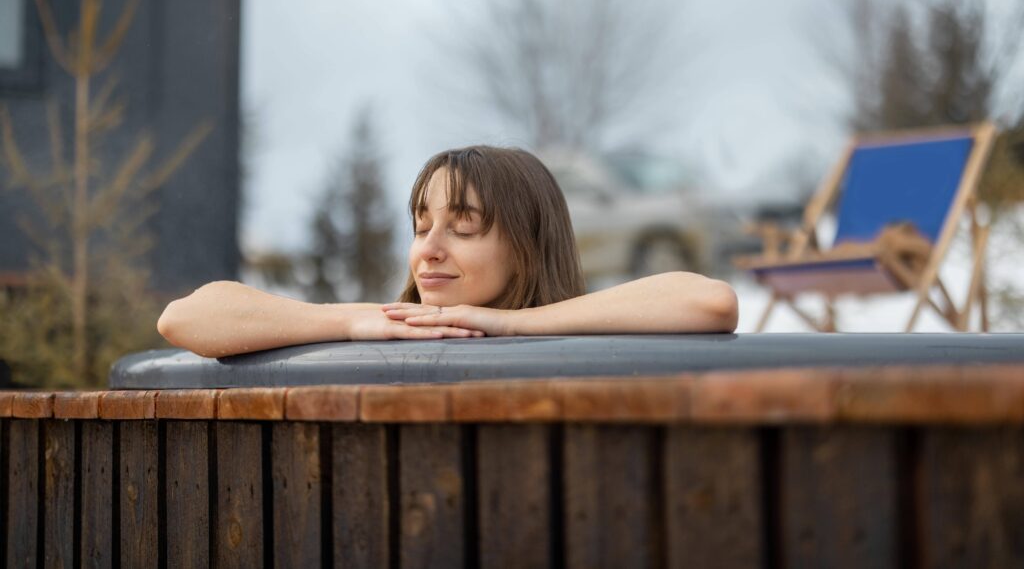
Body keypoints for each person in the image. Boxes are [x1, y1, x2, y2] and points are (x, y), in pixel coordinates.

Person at [157, 145, 738, 358]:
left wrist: (508, 326)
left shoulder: (582, 338)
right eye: (421, 225)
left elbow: (711, 302)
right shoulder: (397, 330)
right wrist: (359, 324)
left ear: (528, 247)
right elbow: (182, 318)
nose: (429, 250)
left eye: (464, 228)